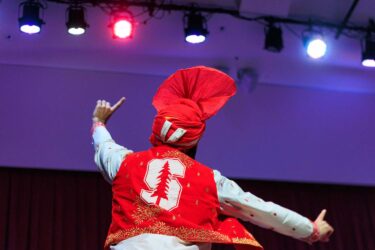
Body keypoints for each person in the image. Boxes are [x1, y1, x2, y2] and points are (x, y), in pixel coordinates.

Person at [91, 66, 333, 250]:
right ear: (195, 140)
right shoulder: (208, 180)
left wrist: (99, 122)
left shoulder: (125, 163)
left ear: (156, 131)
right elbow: (259, 209)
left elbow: (104, 147)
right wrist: (310, 229)